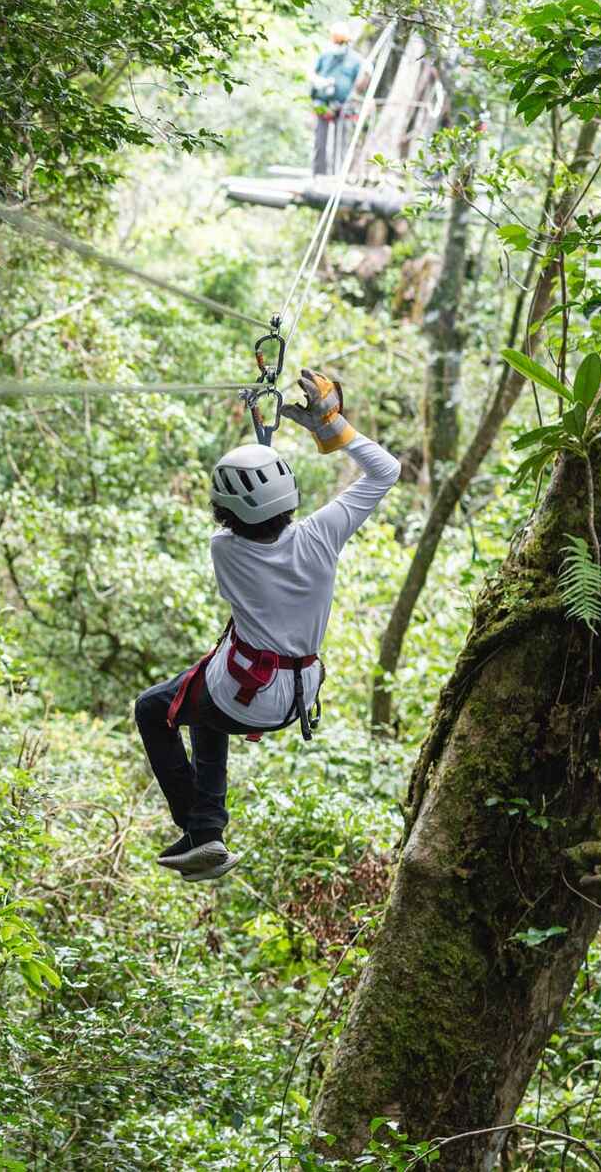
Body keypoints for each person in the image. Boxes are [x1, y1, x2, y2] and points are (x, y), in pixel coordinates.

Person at [133, 370, 400, 883]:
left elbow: (245, 517)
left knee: (154, 709)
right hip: (298, 694)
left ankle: (200, 829)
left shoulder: (224, 550)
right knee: (205, 706)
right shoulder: (324, 536)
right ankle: (205, 830)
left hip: (246, 691)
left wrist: (262, 438)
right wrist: (332, 427)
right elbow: (385, 471)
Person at [310, 22, 366, 175]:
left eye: (341, 41)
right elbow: (313, 75)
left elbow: (360, 84)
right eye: (336, 41)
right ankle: (318, 175)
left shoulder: (356, 60)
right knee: (320, 143)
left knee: (341, 143)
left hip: (344, 106)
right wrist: (319, 82)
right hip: (322, 104)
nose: (339, 44)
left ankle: (338, 175)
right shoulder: (325, 56)